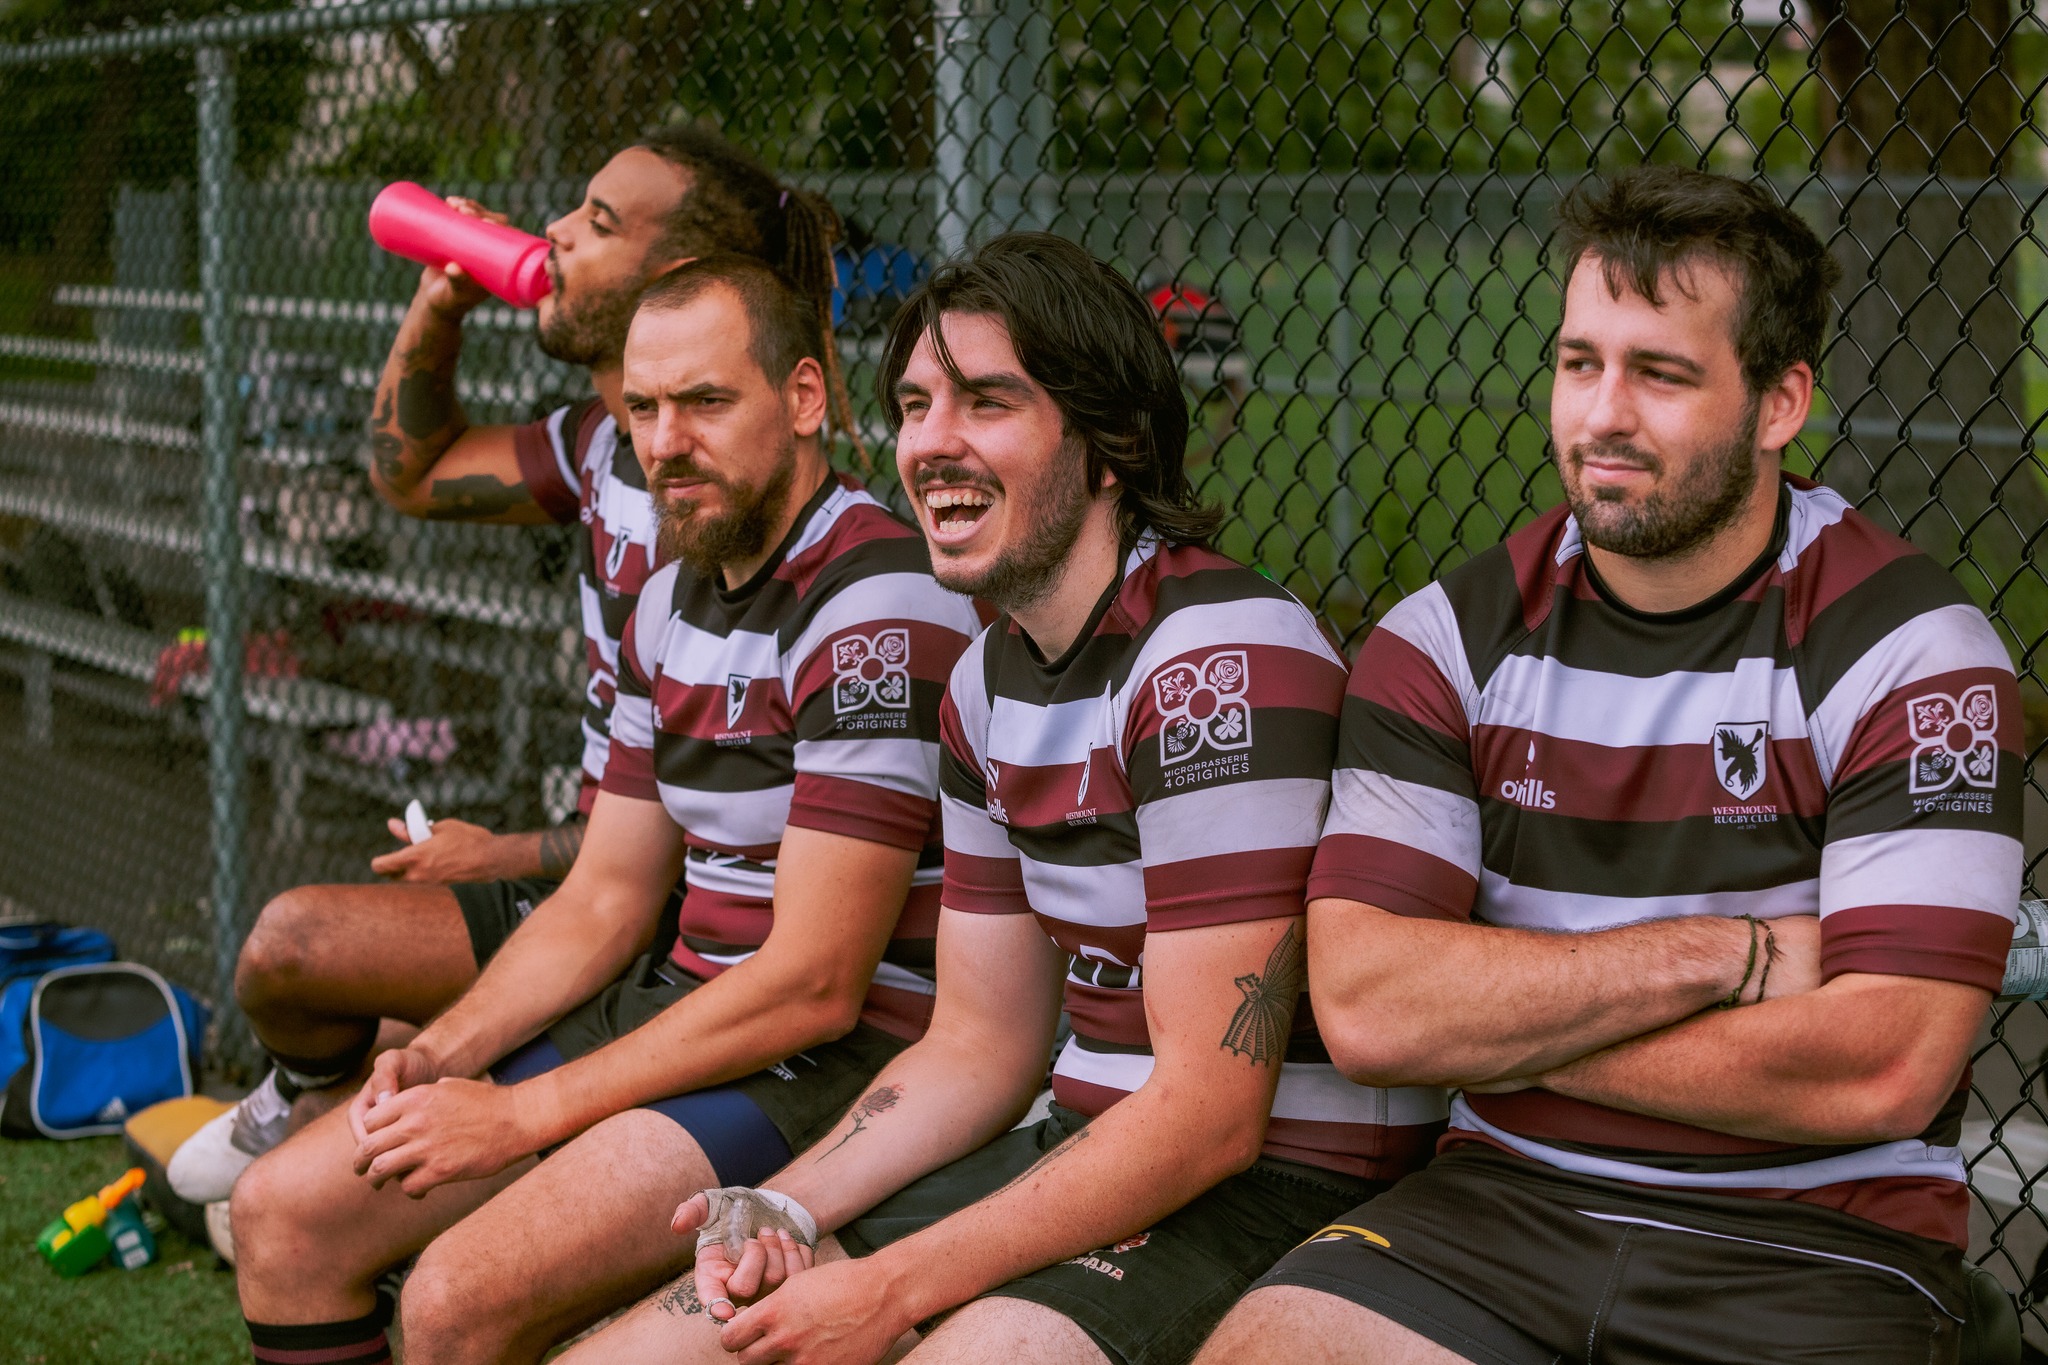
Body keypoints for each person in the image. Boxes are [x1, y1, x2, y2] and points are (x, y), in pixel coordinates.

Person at [561, 232, 1446, 1365]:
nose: (932, 444)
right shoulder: (984, 676)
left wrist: (886, 1287)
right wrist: (789, 1204)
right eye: (917, 404)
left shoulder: (1214, 659)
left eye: (986, 402)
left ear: (1106, 442)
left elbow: (1209, 1115)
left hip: (1282, 1180)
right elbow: (978, 1043)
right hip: (1080, 1142)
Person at [1195, 165, 2023, 1364]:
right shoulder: (1443, 638)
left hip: (1813, 1247)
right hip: (1494, 1215)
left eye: (1661, 374)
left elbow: (1881, 1067)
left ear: (1780, 402)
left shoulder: (1910, 652)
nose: (1601, 417)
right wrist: (1716, 956)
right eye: (1579, 364)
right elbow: (1369, 1010)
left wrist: (1493, 1017)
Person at [229, 253, 981, 1365]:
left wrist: (523, 1115)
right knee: (282, 1213)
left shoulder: (875, 598)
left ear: (807, 398)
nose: (666, 440)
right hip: (677, 1007)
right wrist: (443, 1055)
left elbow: (817, 985)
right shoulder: (672, 592)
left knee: (452, 1298)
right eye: (643, 408)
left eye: (708, 402)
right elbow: (605, 897)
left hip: (827, 1065)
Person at [171, 126, 854, 1206]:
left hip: (668, 904)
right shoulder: (591, 442)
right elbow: (412, 470)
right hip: (599, 866)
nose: (554, 235)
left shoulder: (747, 495)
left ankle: (313, 1138)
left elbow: (721, 800)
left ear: (673, 276)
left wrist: (519, 851)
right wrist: (443, 300)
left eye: (598, 223)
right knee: (322, 975)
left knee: (353, 995)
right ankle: (305, 1121)